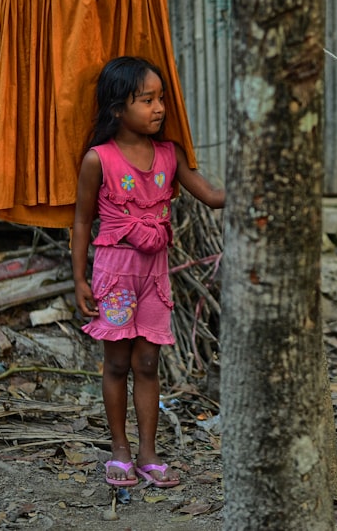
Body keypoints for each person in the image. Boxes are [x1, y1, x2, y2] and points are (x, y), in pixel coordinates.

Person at [72, 56, 225, 485]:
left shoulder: (169, 155)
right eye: (147, 100)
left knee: (148, 361)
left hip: (154, 278)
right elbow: (82, 220)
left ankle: (148, 452)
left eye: (161, 99)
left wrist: (265, 183)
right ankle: (119, 449)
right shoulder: (98, 160)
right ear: (118, 108)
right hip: (114, 275)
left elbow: (212, 196)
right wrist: (79, 278)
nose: (159, 108)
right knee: (117, 363)